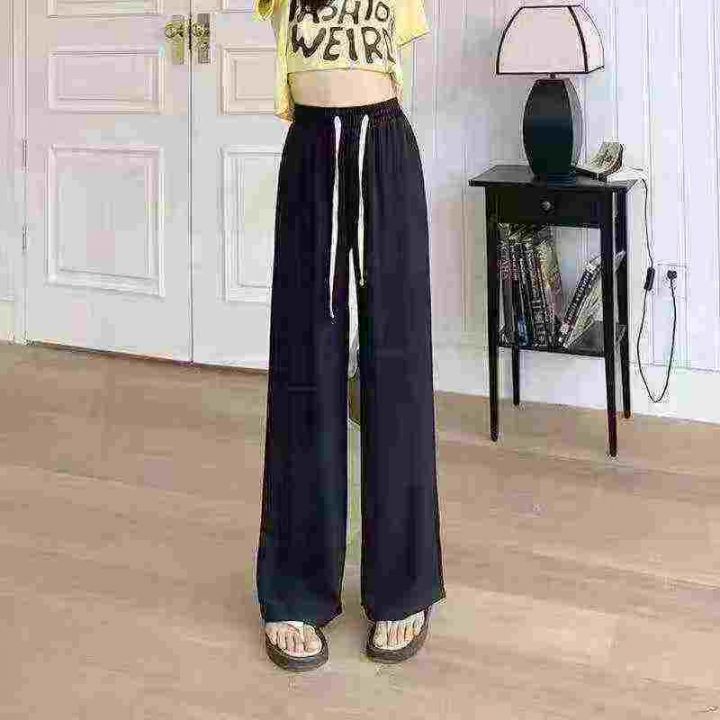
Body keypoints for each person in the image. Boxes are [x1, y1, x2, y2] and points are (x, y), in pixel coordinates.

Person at [253, 0, 446, 671]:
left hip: (385, 146)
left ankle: (404, 585)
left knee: (399, 366)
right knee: (304, 366)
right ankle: (295, 587)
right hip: (312, 150)